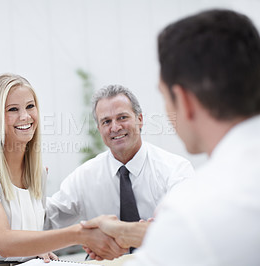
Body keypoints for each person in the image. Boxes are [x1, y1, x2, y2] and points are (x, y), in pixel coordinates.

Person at [82, 9, 260, 265]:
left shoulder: (193, 209)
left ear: (184, 100)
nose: (114, 127)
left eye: (164, 96)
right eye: (106, 121)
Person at [0, 74, 127, 264]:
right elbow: (3, 242)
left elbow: (28, 236)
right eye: (12, 109)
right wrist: (81, 235)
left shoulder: (37, 173)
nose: (25, 116)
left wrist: (37, 250)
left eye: (30, 106)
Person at [45, 85, 194, 234]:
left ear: (140, 120)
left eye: (122, 118)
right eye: (106, 122)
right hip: (103, 258)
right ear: (99, 129)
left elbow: (187, 219)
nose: (115, 128)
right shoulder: (85, 176)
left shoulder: (175, 169)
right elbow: (47, 219)